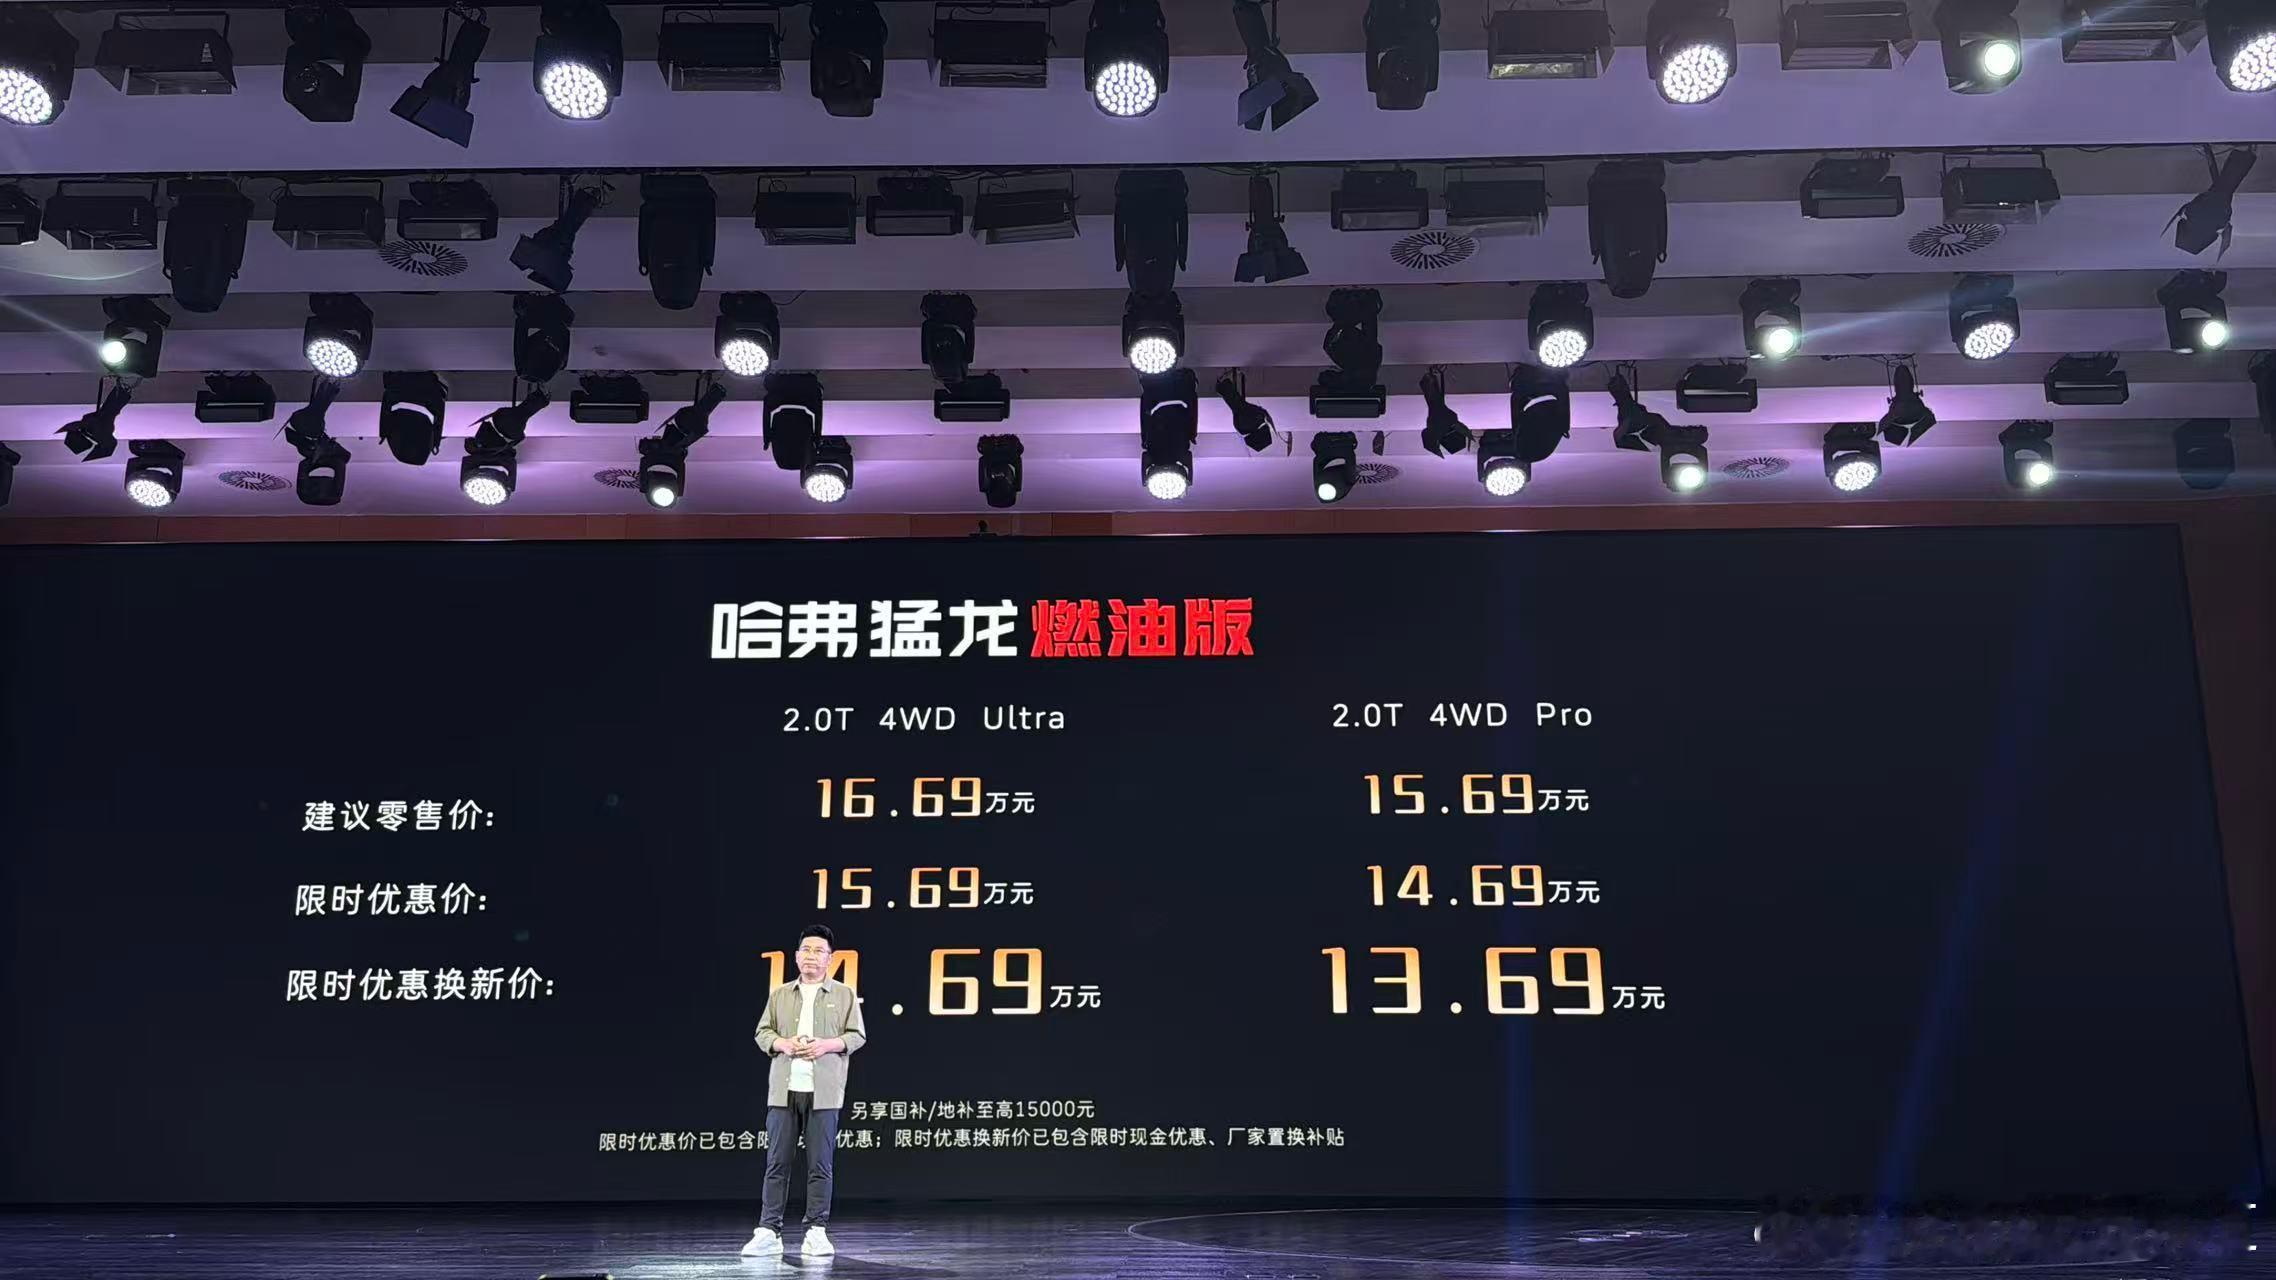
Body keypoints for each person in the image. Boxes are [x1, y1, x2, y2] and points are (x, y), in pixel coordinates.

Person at [744, 925, 867, 1259]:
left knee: (820, 1165)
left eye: (819, 951)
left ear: (830, 958)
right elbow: (762, 1032)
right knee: (777, 1163)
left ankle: (816, 1230)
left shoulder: (844, 994)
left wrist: (827, 1045)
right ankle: (769, 1230)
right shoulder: (780, 994)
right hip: (784, 1092)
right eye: (806, 950)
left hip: (824, 1093)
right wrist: (781, 1043)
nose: (811, 956)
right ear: (797, 956)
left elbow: (856, 1036)